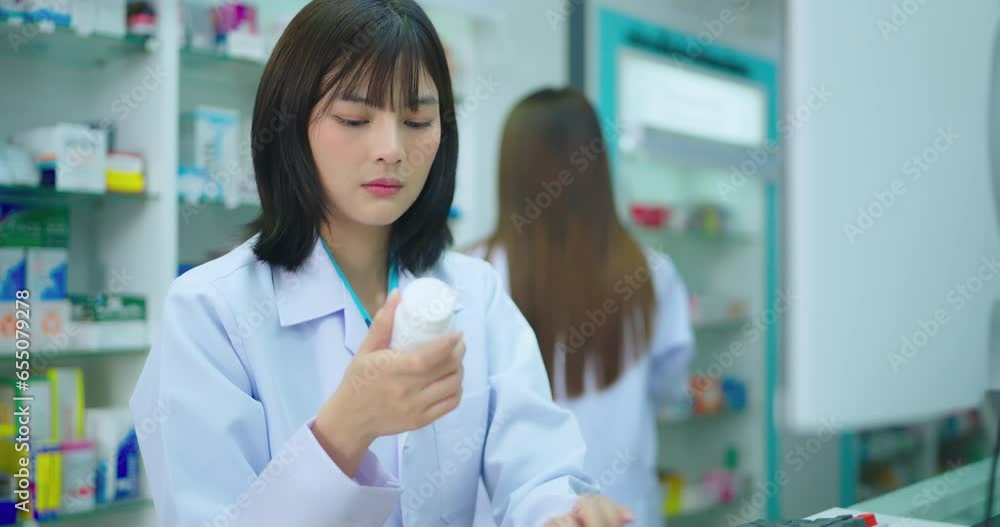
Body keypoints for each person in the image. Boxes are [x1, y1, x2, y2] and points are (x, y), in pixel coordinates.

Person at [129, 2, 633, 526]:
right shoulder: (211, 310)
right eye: (354, 118)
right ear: (290, 123)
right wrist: (345, 430)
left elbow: (537, 473)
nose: (393, 149)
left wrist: (561, 514)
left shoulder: (475, 293)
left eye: (417, 120)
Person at [467, 88, 695, 527]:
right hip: (623, 509)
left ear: (510, 172)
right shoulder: (651, 272)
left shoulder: (474, 273)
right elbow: (669, 387)